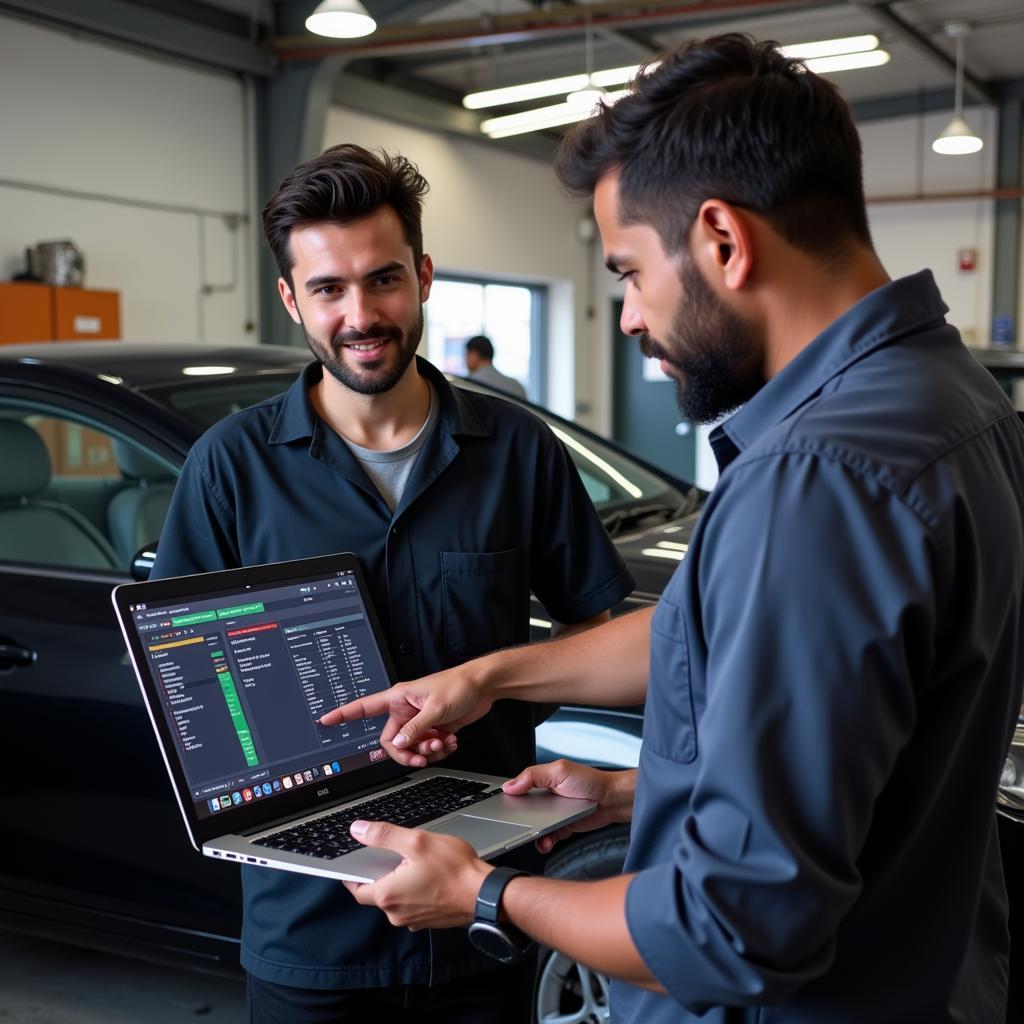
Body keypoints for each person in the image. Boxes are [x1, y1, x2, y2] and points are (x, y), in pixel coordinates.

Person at [322, 34, 1024, 1024]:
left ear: (722, 242)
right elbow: (804, 689)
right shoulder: (956, 404)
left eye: (629, 272)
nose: (626, 317)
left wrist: (485, 891)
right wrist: (621, 771)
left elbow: (727, 928)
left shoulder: (814, 479)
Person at [152, 143, 635, 1023]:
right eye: (329, 289)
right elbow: (192, 691)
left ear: (423, 276)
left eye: (383, 280)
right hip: (313, 931)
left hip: (485, 905)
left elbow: (595, 632)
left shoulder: (519, 452)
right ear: (293, 299)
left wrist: (490, 690)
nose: (361, 313)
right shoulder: (229, 469)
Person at [463, 335, 527, 399]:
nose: (465, 360)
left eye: (466, 355)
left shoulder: (467, 385)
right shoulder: (517, 386)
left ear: (474, 355)